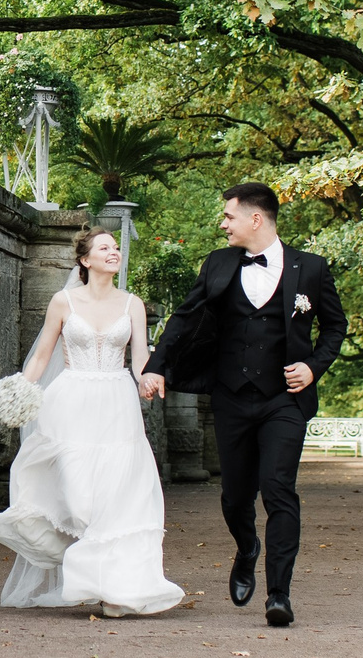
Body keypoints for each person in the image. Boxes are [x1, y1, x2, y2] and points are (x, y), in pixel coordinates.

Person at [139, 183, 346, 627]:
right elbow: (186, 316)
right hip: (231, 396)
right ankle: (247, 545)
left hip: (284, 400)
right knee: (235, 498)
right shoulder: (218, 262)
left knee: (278, 489)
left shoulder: (311, 268)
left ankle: (279, 595)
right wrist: (157, 366)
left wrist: (313, 367)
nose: (223, 224)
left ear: (256, 218)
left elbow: (335, 328)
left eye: (229, 216)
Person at [0, 227, 186, 618]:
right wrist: (20, 390)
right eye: (105, 247)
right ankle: (79, 564)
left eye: (117, 247)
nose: (114, 252)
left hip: (116, 403)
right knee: (78, 496)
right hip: (70, 401)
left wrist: (150, 378)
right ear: (85, 260)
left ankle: (113, 588)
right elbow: (41, 356)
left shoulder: (132, 304)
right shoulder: (63, 301)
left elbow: (139, 358)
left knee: (118, 494)